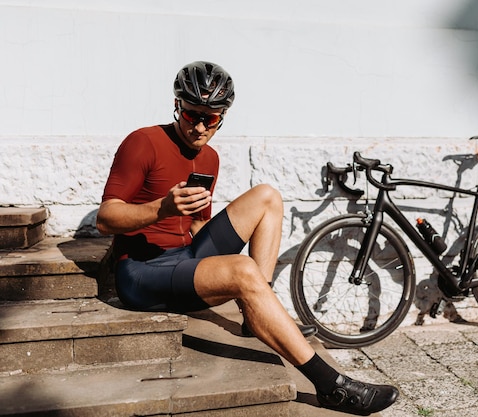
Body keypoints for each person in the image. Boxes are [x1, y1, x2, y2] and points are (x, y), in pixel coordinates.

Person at [96, 61, 399, 415]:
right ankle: (331, 385)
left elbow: (196, 226)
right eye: (192, 114)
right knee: (243, 269)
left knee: (267, 196)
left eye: (209, 118)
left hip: (184, 258)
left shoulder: (209, 156)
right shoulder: (143, 142)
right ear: (176, 105)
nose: (198, 126)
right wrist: (162, 208)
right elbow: (106, 218)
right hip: (141, 273)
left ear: (222, 116)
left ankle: (253, 313)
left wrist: (226, 274)